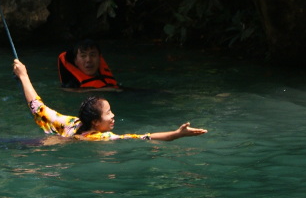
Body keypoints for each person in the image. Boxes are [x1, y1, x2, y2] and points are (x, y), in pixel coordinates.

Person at [13, 60, 204, 141]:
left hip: (35, 143)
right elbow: (145, 137)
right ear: (95, 122)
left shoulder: (71, 123)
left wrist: (23, 75)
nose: (113, 116)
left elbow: (37, 106)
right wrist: (178, 134)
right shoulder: (102, 138)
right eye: (108, 113)